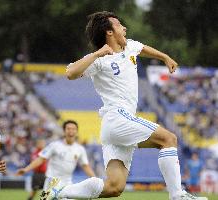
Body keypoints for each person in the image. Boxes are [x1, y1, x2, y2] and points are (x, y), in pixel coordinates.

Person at [41, 11, 208, 200]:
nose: (124, 28)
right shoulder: (100, 59)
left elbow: (144, 49)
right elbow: (70, 73)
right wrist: (96, 54)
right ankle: (177, 195)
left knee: (114, 187)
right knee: (169, 139)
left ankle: (58, 192)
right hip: (117, 117)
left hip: (114, 129)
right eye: (119, 25)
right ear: (109, 32)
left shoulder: (130, 47)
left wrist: (165, 58)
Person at [15, 120, 95, 193]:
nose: (71, 131)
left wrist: (95, 179)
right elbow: (40, 159)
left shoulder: (80, 149)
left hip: (67, 182)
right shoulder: (54, 145)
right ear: (64, 131)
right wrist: (26, 169)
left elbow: (85, 166)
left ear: (76, 131)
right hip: (52, 181)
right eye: (68, 128)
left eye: (73, 129)